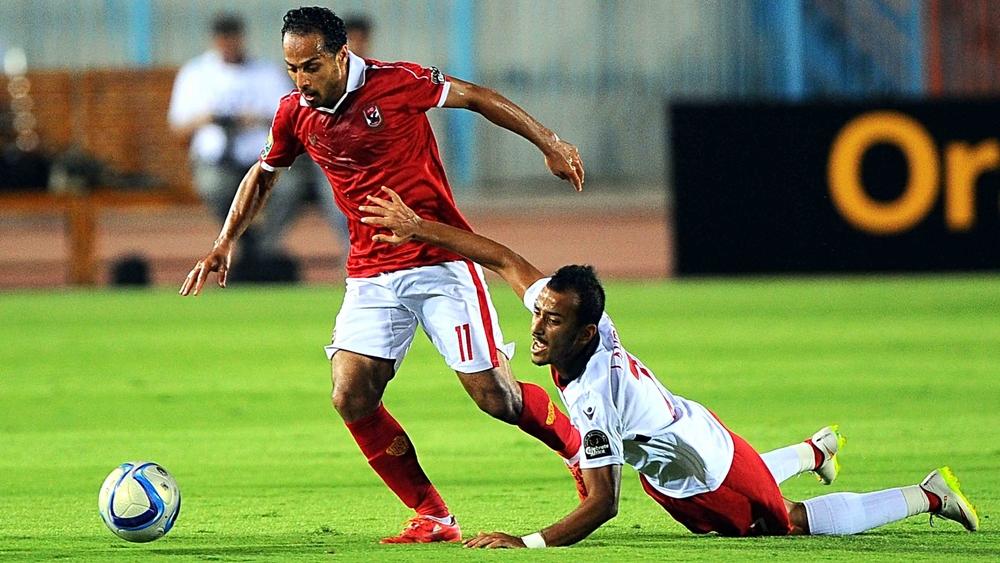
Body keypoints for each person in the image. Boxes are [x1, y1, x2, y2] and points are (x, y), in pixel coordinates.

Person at [359, 186, 981, 548]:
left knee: (786, 523)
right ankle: (815, 452)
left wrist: (524, 544)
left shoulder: (597, 393)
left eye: (551, 320)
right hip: (678, 449)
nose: (537, 326)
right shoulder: (576, 318)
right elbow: (501, 258)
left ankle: (923, 495)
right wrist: (421, 229)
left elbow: (602, 504)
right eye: (540, 312)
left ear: (586, 332)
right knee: (757, 487)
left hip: (704, 470)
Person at [179, 7, 586, 544]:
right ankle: (433, 515)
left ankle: (580, 448)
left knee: (496, 399)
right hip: (371, 274)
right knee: (350, 396)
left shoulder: (399, 83)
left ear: (342, 55)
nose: (301, 81)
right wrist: (224, 241)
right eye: (292, 68)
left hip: (441, 262)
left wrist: (549, 143)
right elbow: (265, 172)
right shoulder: (294, 113)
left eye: (312, 66)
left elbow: (478, 97)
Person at [169, 13, 307, 267]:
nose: (228, 44)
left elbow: (293, 119)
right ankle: (240, 244)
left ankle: (263, 249)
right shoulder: (196, 73)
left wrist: (257, 118)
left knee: (289, 188)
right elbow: (179, 128)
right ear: (215, 41)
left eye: (232, 38)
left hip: (262, 159)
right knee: (215, 187)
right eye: (223, 38)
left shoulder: (265, 72)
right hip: (216, 160)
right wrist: (208, 119)